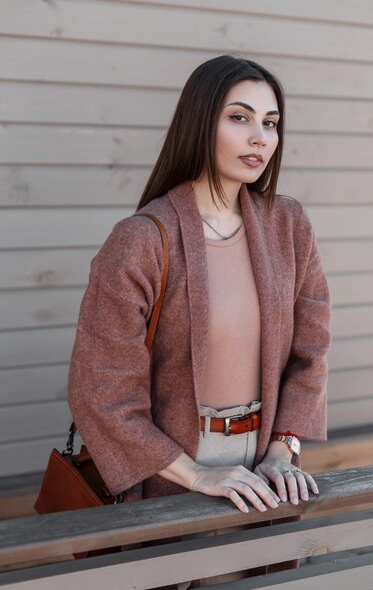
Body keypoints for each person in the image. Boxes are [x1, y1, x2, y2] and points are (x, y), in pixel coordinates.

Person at [68, 55, 331, 584]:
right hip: (167, 467)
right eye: (240, 117)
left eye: (270, 122)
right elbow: (100, 390)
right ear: (200, 122)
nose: (259, 136)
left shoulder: (289, 225)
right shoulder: (142, 240)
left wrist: (286, 446)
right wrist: (196, 473)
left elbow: (313, 348)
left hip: (264, 465)